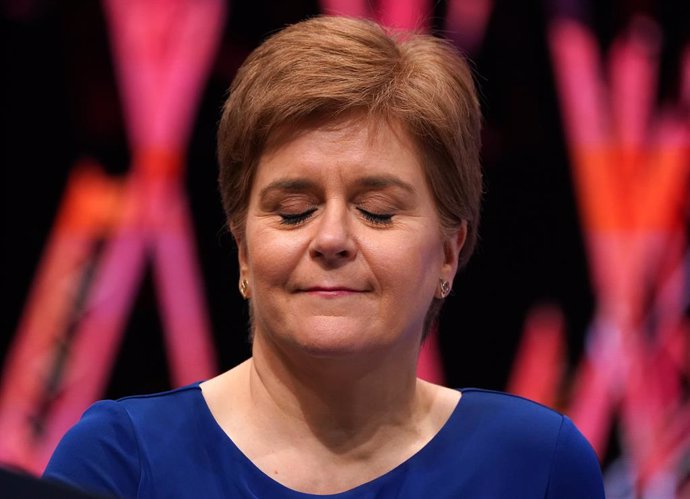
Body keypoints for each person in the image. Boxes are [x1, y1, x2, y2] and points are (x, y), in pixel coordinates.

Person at [43, 15, 605, 498]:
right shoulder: (118, 462)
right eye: (293, 211)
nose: (331, 238)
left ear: (448, 253)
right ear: (242, 250)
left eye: (378, 211)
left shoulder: (536, 465)